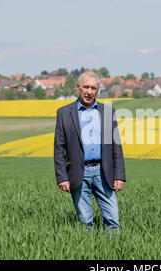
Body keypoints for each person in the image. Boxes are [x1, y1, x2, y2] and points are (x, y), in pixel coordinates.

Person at [54, 71, 125, 232]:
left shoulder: (108, 112)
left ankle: (113, 253)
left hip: (103, 171)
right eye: (86, 87)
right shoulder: (64, 113)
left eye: (93, 88)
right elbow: (59, 149)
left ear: (97, 90)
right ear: (78, 88)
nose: (89, 91)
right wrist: (62, 177)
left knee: (113, 219)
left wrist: (119, 175)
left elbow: (116, 146)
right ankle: (88, 252)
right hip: (78, 172)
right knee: (85, 221)